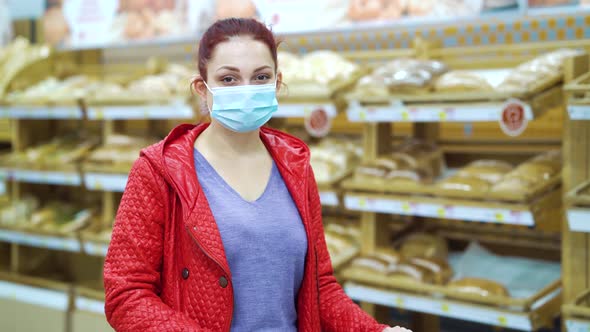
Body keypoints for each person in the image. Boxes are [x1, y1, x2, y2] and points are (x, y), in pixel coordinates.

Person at [103, 17, 411, 332]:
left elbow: (319, 288)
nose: (246, 91)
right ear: (202, 88)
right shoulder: (160, 170)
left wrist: (376, 331)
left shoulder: (295, 166)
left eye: (260, 77)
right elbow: (126, 292)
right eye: (229, 79)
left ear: (277, 84)